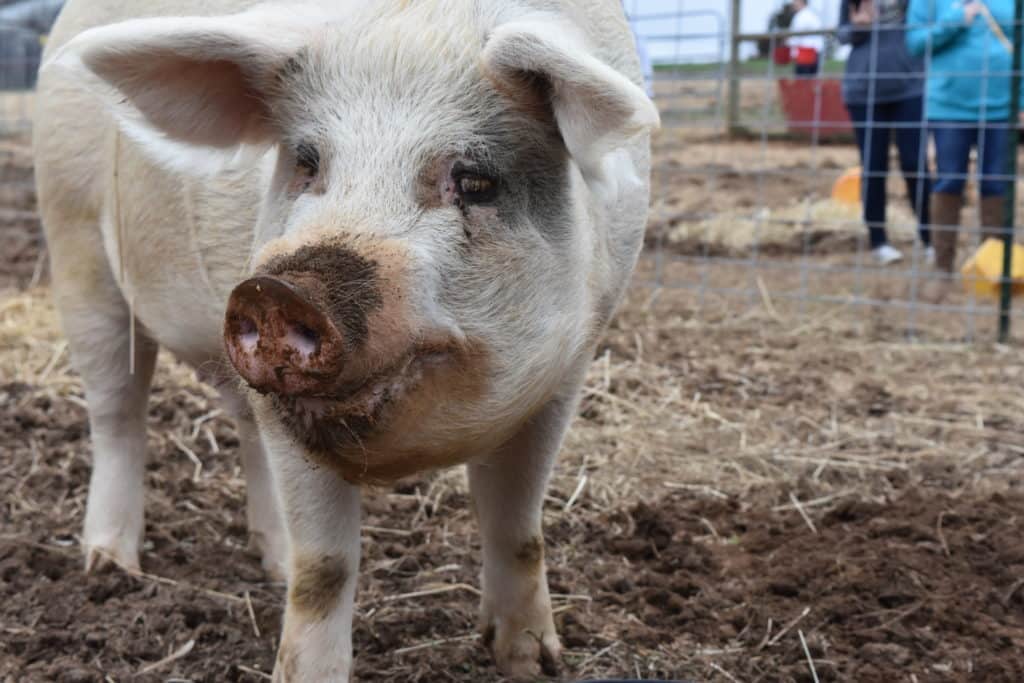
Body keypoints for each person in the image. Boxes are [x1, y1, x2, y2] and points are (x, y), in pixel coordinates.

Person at [907, 0, 1020, 301]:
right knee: (949, 180)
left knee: (997, 182)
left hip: (1002, 108)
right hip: (948, 108)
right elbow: (917, 43)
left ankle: (993, 268)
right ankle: (943, 269)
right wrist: (956, 20)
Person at [839, 0, 932, 266]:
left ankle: (930, 238)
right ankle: (878, 240)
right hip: (864, 92)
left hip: (910, 87)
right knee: (874, 166)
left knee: (915, 164)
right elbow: (841, 34)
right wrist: (859, 27)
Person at [790, 0, 825, 75]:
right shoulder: (813, 15)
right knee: (811, 81)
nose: (792, 3)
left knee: (803, 82)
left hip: (805, 53)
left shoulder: (801, 16)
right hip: (815, 53)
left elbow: (795, 38)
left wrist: (793, 54)